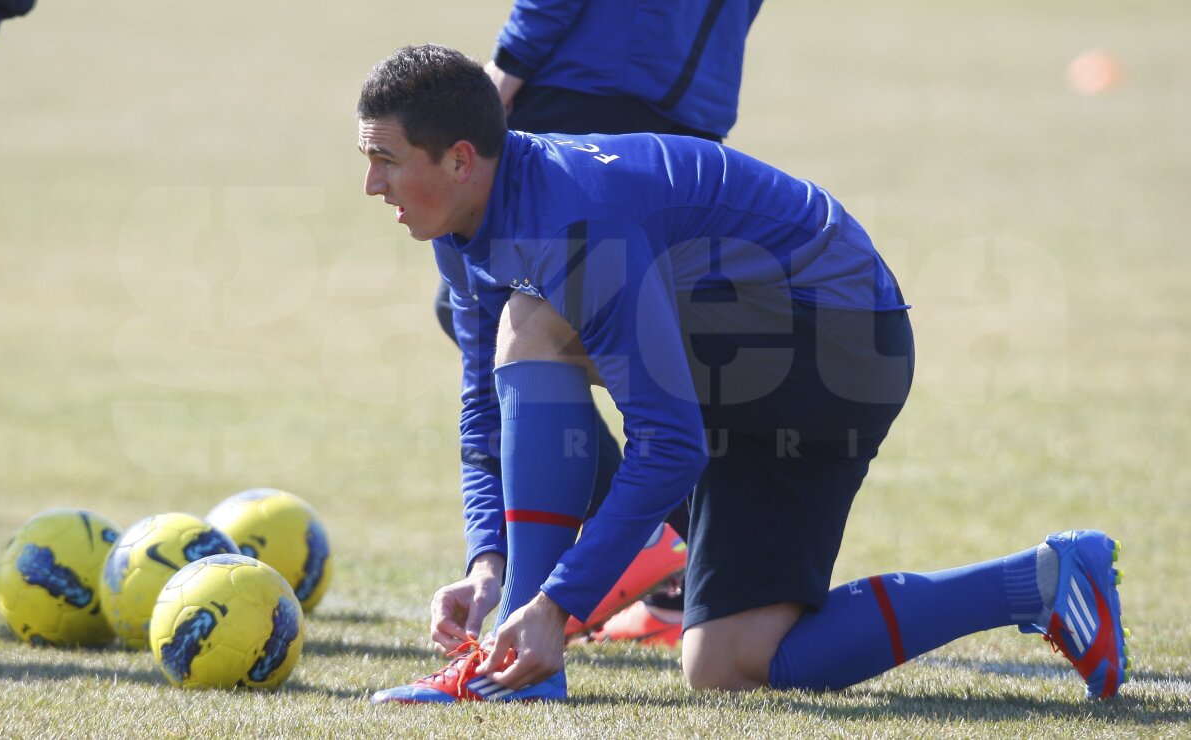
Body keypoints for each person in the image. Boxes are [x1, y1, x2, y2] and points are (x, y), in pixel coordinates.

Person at [358, 45, 1130, 704]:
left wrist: (554, 607)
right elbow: (481, 409)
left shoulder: (572, 220)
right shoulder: (464, 227)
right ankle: (1045, 579)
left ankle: (521, 665)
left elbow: (670, 443)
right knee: (727, 663)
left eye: (385, 161)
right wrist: (485, 563)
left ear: (461, 160)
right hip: (772, 360)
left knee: (532, 323)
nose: (372, 187)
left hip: (840, 340)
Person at [431, 0, 766, 645]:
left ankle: (651, 545)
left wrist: (505, 72)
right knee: (623, 331)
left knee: (509, 315)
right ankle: (691, 559)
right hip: (693, 90)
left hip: (592, 76)